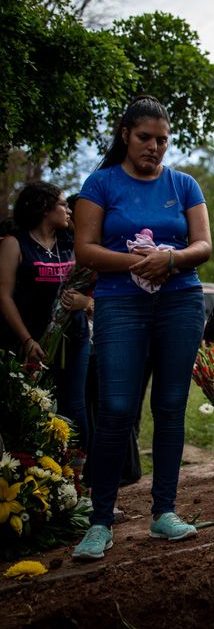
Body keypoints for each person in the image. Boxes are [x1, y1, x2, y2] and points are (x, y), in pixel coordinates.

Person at [72, 95, 213, 559]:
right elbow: (86, 251)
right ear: (125, 135)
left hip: (180, 302)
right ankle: (100, 519)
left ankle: (164, 513)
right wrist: (137, 263)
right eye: (145, 138)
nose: (155, 147)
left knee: (170, 405)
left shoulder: (184, 184)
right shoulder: (100, 184)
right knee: (115, 408)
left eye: (162, 140)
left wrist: (169, 258)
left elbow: (203, 246)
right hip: (119, 305)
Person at [0, 182, 91, 448]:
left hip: (75, 337)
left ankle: (77, 477)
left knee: (75, 405)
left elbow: (97, 283)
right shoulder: (15, 244)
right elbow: (3, 296)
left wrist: (85, 302)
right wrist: (27, 340)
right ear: (43, 208)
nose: (68, 211)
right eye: (63, 204)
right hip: (32, 341)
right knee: (30, 404)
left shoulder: (72, 243)